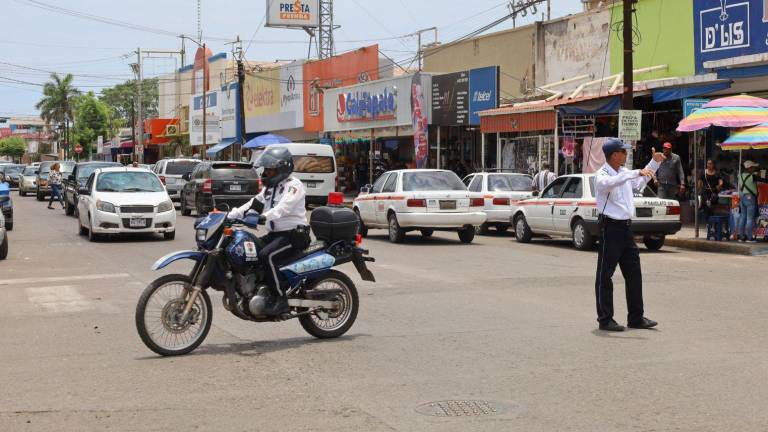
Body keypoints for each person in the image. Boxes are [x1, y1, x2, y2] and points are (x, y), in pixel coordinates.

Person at [594, 138, 665, 332]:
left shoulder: (625, 173)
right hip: (610, 228)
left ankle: (636, 317)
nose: (626, 155)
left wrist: (655, 163)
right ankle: (605, 319)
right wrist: (635, 172)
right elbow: (610, 183)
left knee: (634, 273)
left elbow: (640, 180)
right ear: (614, 154)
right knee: (605, 275)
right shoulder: (601, 175)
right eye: (623, 152)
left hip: (626, 228)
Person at [228, 147, 309, 314]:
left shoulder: (294, 186)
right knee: (251, 250)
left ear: (281, 168)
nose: (266, 173)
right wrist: (230, 215)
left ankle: (281, 299)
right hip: (276, 235)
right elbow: (253, 204)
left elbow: (283, 208)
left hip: (293, 235)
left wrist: (264, 217)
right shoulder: (270, 188)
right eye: (266, 169)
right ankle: (260, 290)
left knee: (267, 256)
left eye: (270, 170)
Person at [736, 160, 768, 242]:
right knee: (750, 218)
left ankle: (741, 237)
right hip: (750, 198)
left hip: (742, 197)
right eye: (753, 167)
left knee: (743, 217)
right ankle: (749, 237)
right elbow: (764, 180)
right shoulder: (752, 177)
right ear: (749, 168)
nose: (754, 169)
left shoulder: (740, 175)